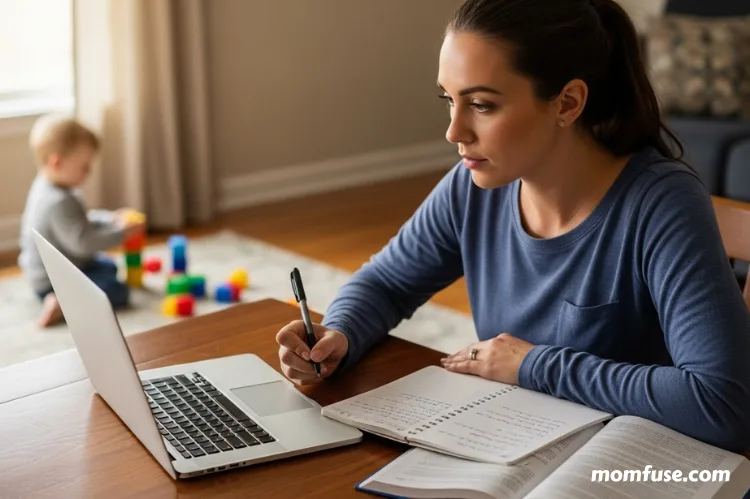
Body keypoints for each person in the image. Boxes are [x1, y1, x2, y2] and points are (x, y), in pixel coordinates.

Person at [276, 0, 750, 453]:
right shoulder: (473, 187)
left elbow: (722, 403)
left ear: (567, 103)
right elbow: (387, 282)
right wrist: (340, 334)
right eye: (449, 100)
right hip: (517, 443)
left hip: (637, 464)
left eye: (481, 105)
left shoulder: (662, 204)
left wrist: (533, 364)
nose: (454, 131)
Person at [18, 114, 144, 327]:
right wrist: (122, 233)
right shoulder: (57, 201)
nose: (88, 173)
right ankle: (60, 303)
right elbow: (83, 244)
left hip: (62, 267)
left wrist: (110, 219)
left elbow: (80, 221)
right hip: (53, 281)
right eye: (84, 167)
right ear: (57, 162)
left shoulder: (50, 185)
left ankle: (67, 297)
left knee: (108, 266)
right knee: (116, 291)